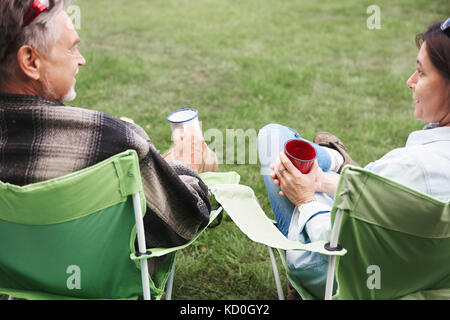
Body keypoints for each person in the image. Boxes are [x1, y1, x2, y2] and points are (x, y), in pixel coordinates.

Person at [0, 0, 218, 273]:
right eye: (71, 48)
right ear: (31, 61)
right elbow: (185, 219)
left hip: (21, 275)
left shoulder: (107, 138)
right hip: (102, 278)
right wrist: (186, 167)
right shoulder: (111, 141)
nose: (82, 59)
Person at [257, 18, 450, 299]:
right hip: (424, 282)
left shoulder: (410, 167)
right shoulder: (416, 167)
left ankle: (339, 161)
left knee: (274, 137)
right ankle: (340, 166)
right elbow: (385, 198)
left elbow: (336, 245)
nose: (409, 82)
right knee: (316, 167)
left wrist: (305, 198)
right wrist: (321, 182)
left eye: (421, 73)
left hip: (342, 279)